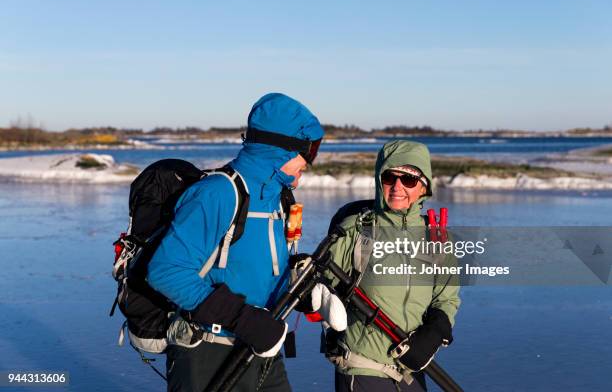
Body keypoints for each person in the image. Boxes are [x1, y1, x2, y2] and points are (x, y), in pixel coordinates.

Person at [146, 93, 325, 392]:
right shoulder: (218, 193)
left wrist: (302, 289)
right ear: (279, 149)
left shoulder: (278, 198)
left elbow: (260, 266)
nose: (310, 162)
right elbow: (166, 271)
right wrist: (243, 319)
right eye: (307, 151)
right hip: (209, 352)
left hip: (262, 348)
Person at [322, 140, 461, 392]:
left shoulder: (436, 236)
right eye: (389, 177)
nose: (397, 186)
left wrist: (434, 331)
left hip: (413, 370)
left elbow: (447, 297)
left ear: (424, 187)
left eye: (408, 180)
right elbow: (323, 288)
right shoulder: (356, 227)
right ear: (379, 180)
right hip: (362, 368)